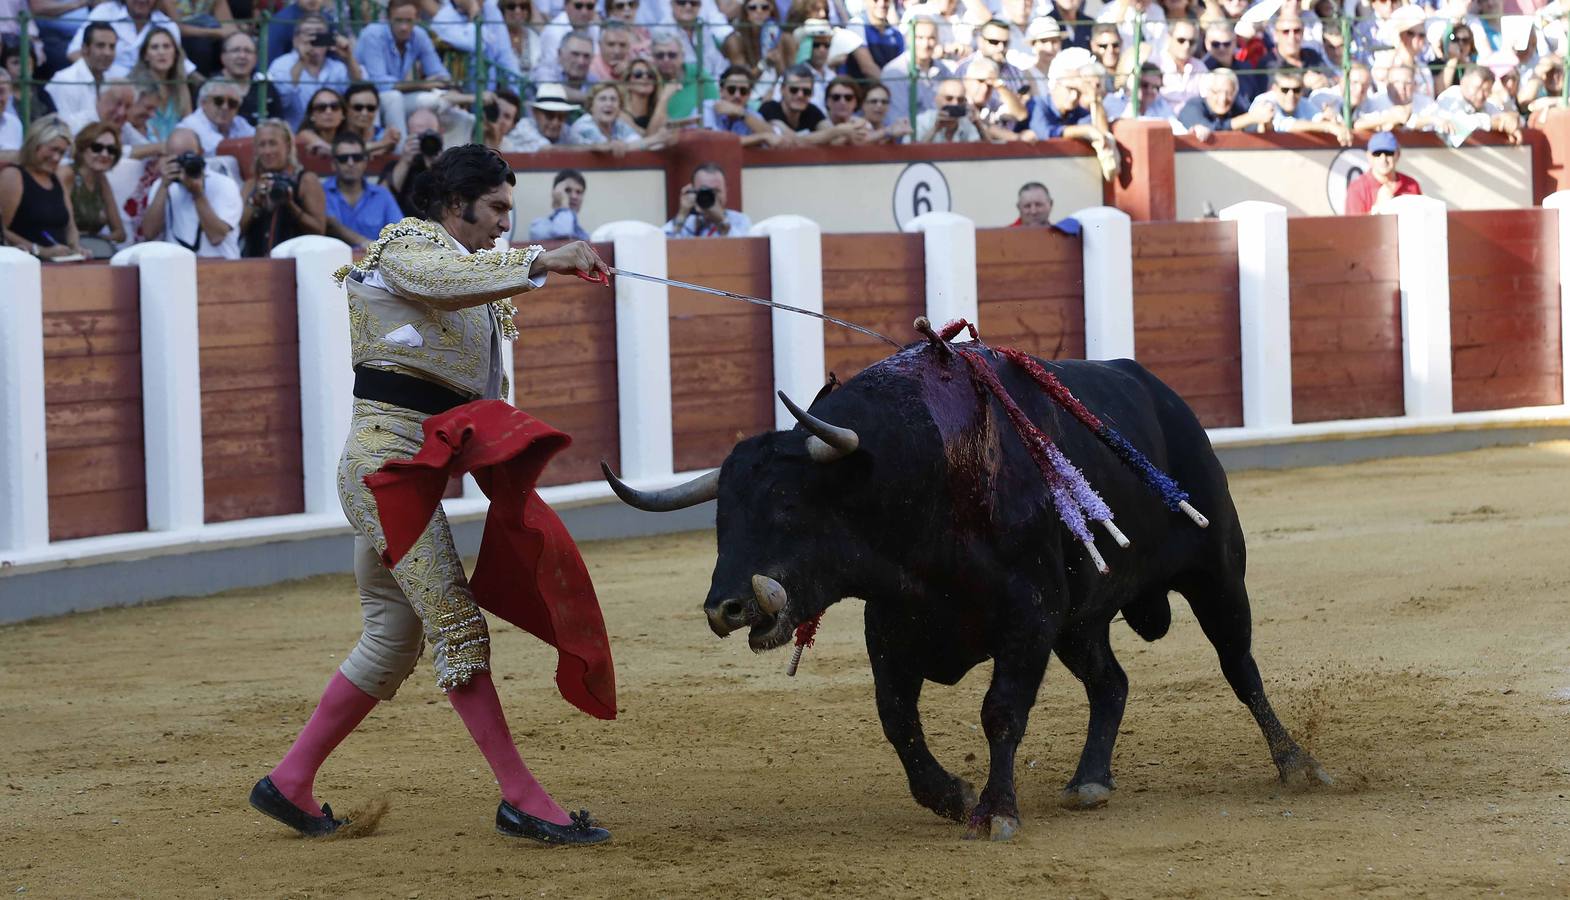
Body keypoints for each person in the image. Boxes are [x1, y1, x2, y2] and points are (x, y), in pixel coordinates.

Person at [250, 143, 614, 847]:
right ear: (455, 206)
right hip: (384, 473)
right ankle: (523, 800)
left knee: (392, 638)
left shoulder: (482, 295)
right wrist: (544, 259)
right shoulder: (406, 244)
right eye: (497, 209)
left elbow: (483, 396)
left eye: (512, 211)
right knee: (456, 625)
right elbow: (436, 276)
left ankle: (289, 781)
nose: (506, 223)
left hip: (410, 477)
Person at [138, 126, 241, 257]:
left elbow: (216, 236)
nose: (183, 164)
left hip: (220, 266)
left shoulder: (224, 184)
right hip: (179, 268)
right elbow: (149, 233)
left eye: (188, 156)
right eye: (177, 159)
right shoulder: (163, 185)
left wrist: (197, 194)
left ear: (201, 153)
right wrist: (163, 187)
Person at [356, 0, 452, 135]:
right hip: (366, 103)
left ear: (417, 19)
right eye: (398, 20)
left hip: (399, 96)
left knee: (462, 115)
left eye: (409, 21)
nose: (404, 27)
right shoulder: (373, 33)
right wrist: (424, 84)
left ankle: (454, 155)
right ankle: (401, 153)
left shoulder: (419, 35)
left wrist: (435, 83)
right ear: (388, 18)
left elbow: (441, 75)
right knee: (393, 98)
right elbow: (379, 84)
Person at [0, 115, 90, 259]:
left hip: (59, 264)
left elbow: (70, 226)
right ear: (34, 145)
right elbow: (2, 231)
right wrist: (40, 250)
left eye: (61, 152)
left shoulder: (57, 179)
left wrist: (76, 247)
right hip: (25, 266)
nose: (56, 157)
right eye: (52, 149)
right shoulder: (13, 176)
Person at [239, 118, 326, 256]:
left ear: (288, 145)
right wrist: (254, 202)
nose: (267, 151)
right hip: (256, 264)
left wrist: (290, 205)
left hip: (295, 264)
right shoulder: (251, 184)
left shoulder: (306, 180)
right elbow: (236, 232)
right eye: (262, 145)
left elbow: (319, 229)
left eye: (273, 143)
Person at [266, 14, 358, 131]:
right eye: (308, 33)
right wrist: (301, 60)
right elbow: (281, 104)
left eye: (319, 33)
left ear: (328, 39)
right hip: (295, 135)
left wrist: (349, 58)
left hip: (333, 134)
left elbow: (359, 93)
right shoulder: (281, 64)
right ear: (295, 40)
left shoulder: (338, 67)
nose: (313, 38)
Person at [323, 133, 403, 249]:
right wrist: (364, 242)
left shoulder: (382, 195)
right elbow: (330, 225)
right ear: (333, 164)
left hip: (375, 264)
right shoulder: (321, 192)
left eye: (357, 158)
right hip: (331, 263)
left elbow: (400, 234)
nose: (351, 163)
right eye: (343, 159)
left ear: (365, 162)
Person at [62, 122, 129, 255]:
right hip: (64, 251)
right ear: (82, 148)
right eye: (97, 147)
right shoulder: (67, 174)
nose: (105, 154)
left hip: (91, 250)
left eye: (111, 150)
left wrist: (95, 239)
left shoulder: (102, 180)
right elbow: (65, 226)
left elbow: (120, 233)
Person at [66, 0, 179, 78]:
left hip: (151, 96)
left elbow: (180, 66)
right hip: (105, 90)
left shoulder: (167, 25)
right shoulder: (105, 13)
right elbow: (74, 53)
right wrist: (101, 79)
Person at [128, 25, 199, 140]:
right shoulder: (134, 86)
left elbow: (189, 125)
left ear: (175, 54)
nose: (161, 52)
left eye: (166, 47)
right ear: (145, 55)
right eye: (155, 47)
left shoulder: (181, 86)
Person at [880, 15, 952, 125]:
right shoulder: (894, 72)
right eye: (919, 38)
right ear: (909, 39)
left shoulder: (944, 70)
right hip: (911, 138)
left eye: (931, 38)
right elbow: (897, 120)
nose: (925, 44)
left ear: (937, 40)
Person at [46, 21, 117, 126]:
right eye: (100, 46)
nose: (108, 53)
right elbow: (65, 128)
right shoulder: (65, 80)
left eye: (112, 47)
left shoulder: (113, 80)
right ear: (84, 49)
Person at [1176, 68, 1272, 140]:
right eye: (1217, 92)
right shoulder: (1193, 107)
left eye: (1229, 93)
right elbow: (1210, 131)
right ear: (1207, 91)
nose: (1223, 99)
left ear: (1235, 93)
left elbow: (1255, 129)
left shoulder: (1237, 108)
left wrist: (1266, 121)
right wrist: (1249, 118)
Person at [383, 106, 444, 215]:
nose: (425, 141)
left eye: (430, 135)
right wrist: (405, 161)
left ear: (440, 134)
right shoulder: (395, 166)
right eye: (418, 136)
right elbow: (382, 200)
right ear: (409, 134)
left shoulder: (450, 167)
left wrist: (436, 167)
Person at [1343, 131, 1422, 215]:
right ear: (1369, 156)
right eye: (1377, 153)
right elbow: (1352, 226)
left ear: (1398, 155)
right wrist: (1377, 208)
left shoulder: (1412, 185)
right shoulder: (1357, 188)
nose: (1383, 159)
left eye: (1388, 153)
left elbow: (1421, 220)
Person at [664, 161, 750, 238]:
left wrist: (722, 222)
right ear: (693, 191)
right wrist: (682, 215)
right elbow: (663, 248)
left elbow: (743, 250)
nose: (711, 196)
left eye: (716, 191)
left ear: (726, 192)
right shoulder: (686, 222)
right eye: (705, 191)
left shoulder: (740, 220)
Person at [566, 82, 656, 154]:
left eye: (613, 99)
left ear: (619, 107)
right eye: (602, 99)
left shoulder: (619, 125)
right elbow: (607, 147)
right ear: (591, 106)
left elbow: (638, 142)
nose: (609, 104)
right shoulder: (583, 125)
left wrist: (656, 139)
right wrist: (656, 138)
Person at [700, 64, 778, 144]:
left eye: (743, 91)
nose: (737, 95)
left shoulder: (751, 115)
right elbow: (714, 142)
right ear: (721, 91)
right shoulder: (706, 107)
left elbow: (774, 138)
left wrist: (742, 114)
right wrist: (760, 138)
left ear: (749, 94)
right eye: (731, 90)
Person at [216, 32, 282, 127]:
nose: (242, 56)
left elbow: (278, 125)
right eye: (236, 50)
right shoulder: (210, 87)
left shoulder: (266, 87)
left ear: (256, 58)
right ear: (223, 56)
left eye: (248, 51)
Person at [177, 77, 254, 155]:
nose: (225, 107)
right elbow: (220, 148)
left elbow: (257, 140)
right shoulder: (192, 124)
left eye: (232, 103)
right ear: (203, 103)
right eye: (218, 101)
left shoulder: (239, 122)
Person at [528, 168, 590, 241]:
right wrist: (564, 206)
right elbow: (562, 232)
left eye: (578, 192)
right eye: (567, 190)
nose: (574, 196)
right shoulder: (538, 226)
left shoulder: (584, 235)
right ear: (555, 193)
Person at [916, 76, 982, 142]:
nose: (955, 104)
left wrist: (979, 125)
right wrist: (935, 129)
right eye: (949, 98)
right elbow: (915, 150)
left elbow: (983, 149)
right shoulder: (923, 121)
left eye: (960, 100)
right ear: (937, 100)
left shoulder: (967, 122)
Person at [621, 55, 674, 135]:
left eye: (650, 75)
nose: (645, 77)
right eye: (638, 74)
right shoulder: (621, 114)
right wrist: (663, 99)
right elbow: (648, 139)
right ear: (627, 84)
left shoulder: (658, 111)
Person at [296, 87, 348, 158]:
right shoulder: (305, 135)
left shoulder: (350, 137)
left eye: (334, 107)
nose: (328, 112)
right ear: (312, 115)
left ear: (343, 114)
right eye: (321, 107)